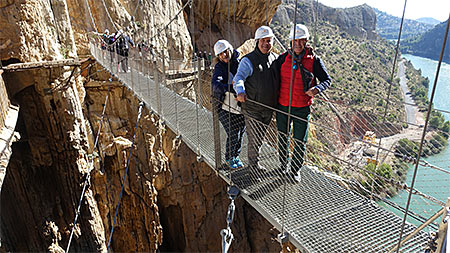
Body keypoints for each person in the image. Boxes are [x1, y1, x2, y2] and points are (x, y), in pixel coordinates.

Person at [272, 24, 331, 182]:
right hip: (283, 106)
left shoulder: (314, 60)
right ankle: (283, 165)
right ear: (290, 42)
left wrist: (317, 89)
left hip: (302, 109)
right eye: (295, 41)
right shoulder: (283, 58)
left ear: (306, 42)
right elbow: (271, 76)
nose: (297, 44)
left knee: (300, 141)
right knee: (283, 138)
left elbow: (327, 80)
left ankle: (295, 169)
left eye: (301, 41)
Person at [233, 26, 279, 170]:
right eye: (263, 41)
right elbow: (239, 77)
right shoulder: (248, 60)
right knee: (255, 139)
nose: (266, 44)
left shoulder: (275, 58)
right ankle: (253, 167)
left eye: (269, 41)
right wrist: (240, 91)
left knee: (259, 139)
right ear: (257, 42)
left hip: (268, 109)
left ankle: (254, 164)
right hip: (252, 108)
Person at [212, 40, 246, 169]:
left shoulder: (240, 62)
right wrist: (232, 89)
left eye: (225, 51)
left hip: (238, 106)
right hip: (223, 106)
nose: (223, 55)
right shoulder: (219, 67)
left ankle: (235, 156)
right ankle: (229, 158)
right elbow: (215, 85)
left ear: (230, 50)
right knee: (233, 131)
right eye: (220, 54)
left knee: (240, 131)